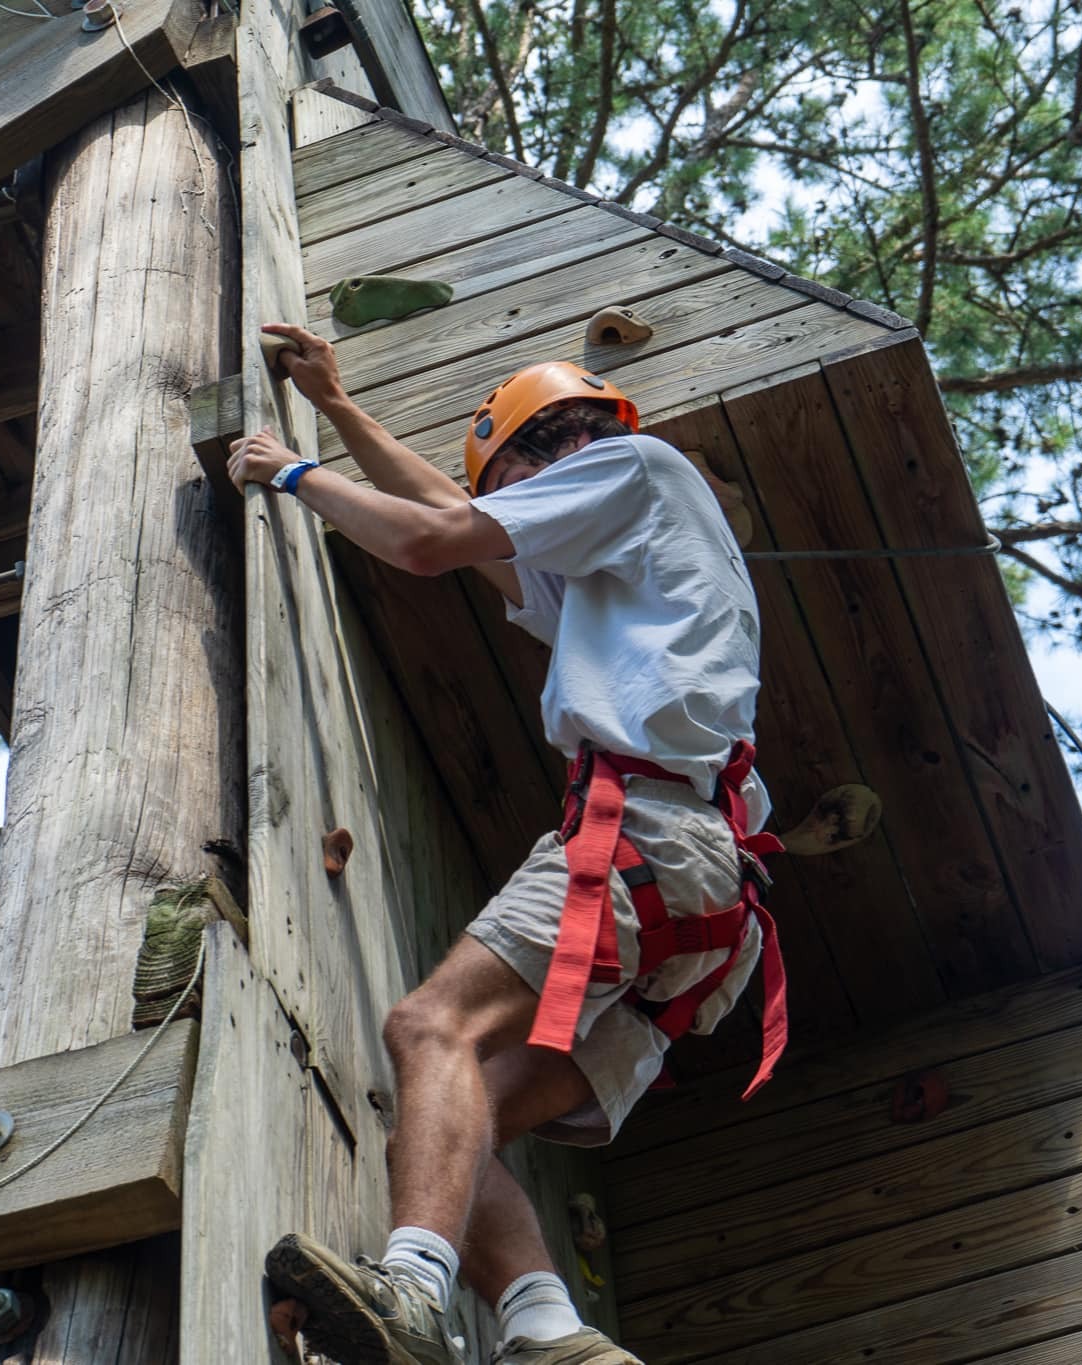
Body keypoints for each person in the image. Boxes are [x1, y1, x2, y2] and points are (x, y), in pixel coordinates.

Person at [226, 324, 784, 1365]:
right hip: (705, 900)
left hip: (640, 839)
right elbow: (454, 517)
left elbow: (430, 544)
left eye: (514, 476)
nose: (514, 501)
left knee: (427, 1030)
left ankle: (409, 1291)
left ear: (548, 451)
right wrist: (340, 410)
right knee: (446, 1120)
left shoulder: (630, 462)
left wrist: (292, 468)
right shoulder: (625, 555)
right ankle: (550, 1336)